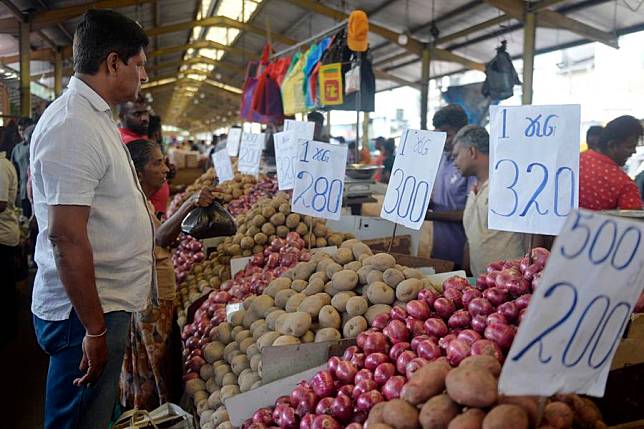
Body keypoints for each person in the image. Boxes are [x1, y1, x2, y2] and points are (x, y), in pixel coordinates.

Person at [29, 10, 152, 429]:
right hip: (82, 312)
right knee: (76, 421)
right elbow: (65, 237)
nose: (144, 77)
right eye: (139, 66)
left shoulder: (93, 117)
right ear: (113, 62)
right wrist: (95, 329)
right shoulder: (73, 125)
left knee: (91, 415)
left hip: (97, 304)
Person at [120, 139, 215, 410]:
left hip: (156, 295)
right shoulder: (134, 202)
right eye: (157, 163)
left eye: (164, 161)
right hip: (150, 296)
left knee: (161, 362)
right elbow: (159, 238)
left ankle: (157, 412)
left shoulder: (143, 201)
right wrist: (188, 205)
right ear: (138, 173)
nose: (166, 168)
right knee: (153, 366)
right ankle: (150, 415)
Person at [451, 125, 528, 275]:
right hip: (481, 285)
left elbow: (531, 232)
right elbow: (471, 238)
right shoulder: (474, 188)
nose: (454, 162)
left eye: (456, 156)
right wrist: (465, 274)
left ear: (472, 151)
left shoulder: (508, 185)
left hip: (509, 285)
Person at [426, 104, 475, 268]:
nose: (443, 141)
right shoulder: (442, 159)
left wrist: (432, 216)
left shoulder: (471, 163)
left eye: (447, 135)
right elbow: (441, 199)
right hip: (440, 245)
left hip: (464, 249)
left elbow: (470, 213)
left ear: (462, 132)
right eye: (439, 135)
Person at [579, 115, 643, 210]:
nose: (634, 151)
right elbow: (634, 221)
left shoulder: (576, 161)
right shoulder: (625, 184)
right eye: (630, 147)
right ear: (612, 146)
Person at [0, 150, 20, 346]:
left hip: (3, 237)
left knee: (5, 289)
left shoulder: (1, 167)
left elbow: (1, 203)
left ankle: (7, 332)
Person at [11, 117, 35, 217]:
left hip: (36, 190)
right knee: (25, 219)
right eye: (20, 130)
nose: (22, 132)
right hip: (23, 191)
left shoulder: (36, 145)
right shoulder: (17, 149)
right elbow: (13, 170)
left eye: (24, 129)